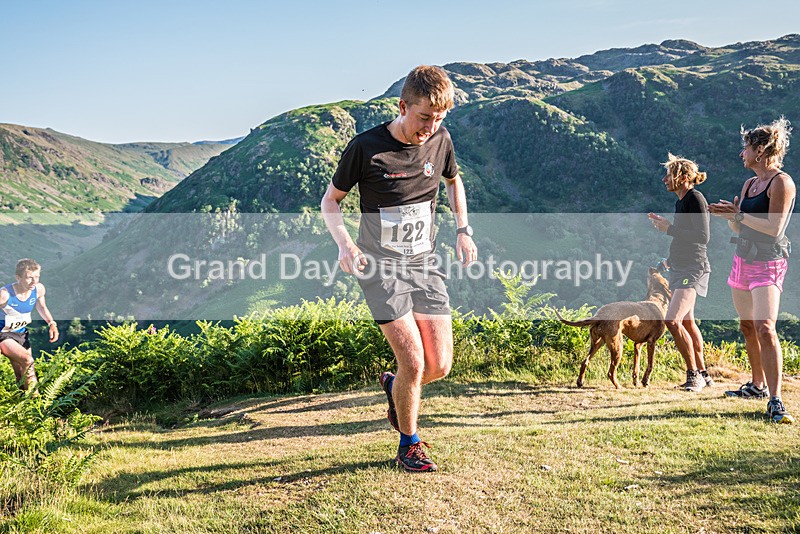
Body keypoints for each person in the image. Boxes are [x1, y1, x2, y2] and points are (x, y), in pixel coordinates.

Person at [321, 65, 477, 472]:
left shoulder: (441, 138)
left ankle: (395, 388)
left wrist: (464, 230)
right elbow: (330, 202)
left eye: (439, 118)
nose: (431, 126)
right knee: (414, 362)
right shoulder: (366, 148)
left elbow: (453, 180)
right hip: (380, 268)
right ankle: (410, 443)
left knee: (439, 365)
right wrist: (345, 244)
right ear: (403, 105)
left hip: (425, 262)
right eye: (424, 117)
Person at [708, 117, 795, 424]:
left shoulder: (781, 183)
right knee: (747, 326)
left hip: (768, 263)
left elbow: (774, 228)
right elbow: (739, 223)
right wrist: (728, 217)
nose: (741, 153)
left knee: (766, 328)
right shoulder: (749, 184)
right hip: (742, 259)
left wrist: (739, 215)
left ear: (760, 151)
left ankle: (776, 399)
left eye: (745, 147)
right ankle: (756, 386)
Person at [648, 154, 714, 392]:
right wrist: (670, 259)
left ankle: (693, 375)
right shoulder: (682, 201)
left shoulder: (695, 198)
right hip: (680, 265)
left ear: (684, 178)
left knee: (672, 320)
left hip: (692, 268)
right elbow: (685, 236)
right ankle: (704, 374)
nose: (664, 179)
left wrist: (669, 228)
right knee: (687, 321)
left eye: (669, 174)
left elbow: (703, 237)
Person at [0, 258, 59, 391]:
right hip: (3, 334)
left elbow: (42, 307)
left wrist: (51, 323)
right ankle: (35, 401)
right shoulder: (4, 295)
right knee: (28, 360)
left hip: (21, 333)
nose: (34, 281)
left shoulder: (38, 289)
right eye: (29, 278)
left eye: (37, 277)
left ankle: (22, 405)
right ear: (18, 277)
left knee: (21, 374)